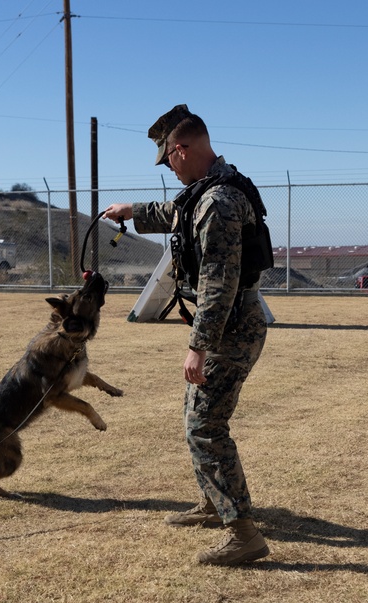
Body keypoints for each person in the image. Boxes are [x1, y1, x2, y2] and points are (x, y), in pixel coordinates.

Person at [103, 104, 270, 567]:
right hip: (233, 323)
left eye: (168, 160)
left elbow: (220, 282)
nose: (169, 169)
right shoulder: (214, 188)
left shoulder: (218, 202)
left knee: (206, 426)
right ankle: (215, 504)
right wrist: (131, 210)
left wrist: (199, 347)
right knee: (198, 417)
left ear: (181, 149)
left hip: (229, 328)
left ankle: (243, 533)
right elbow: (175, 212)